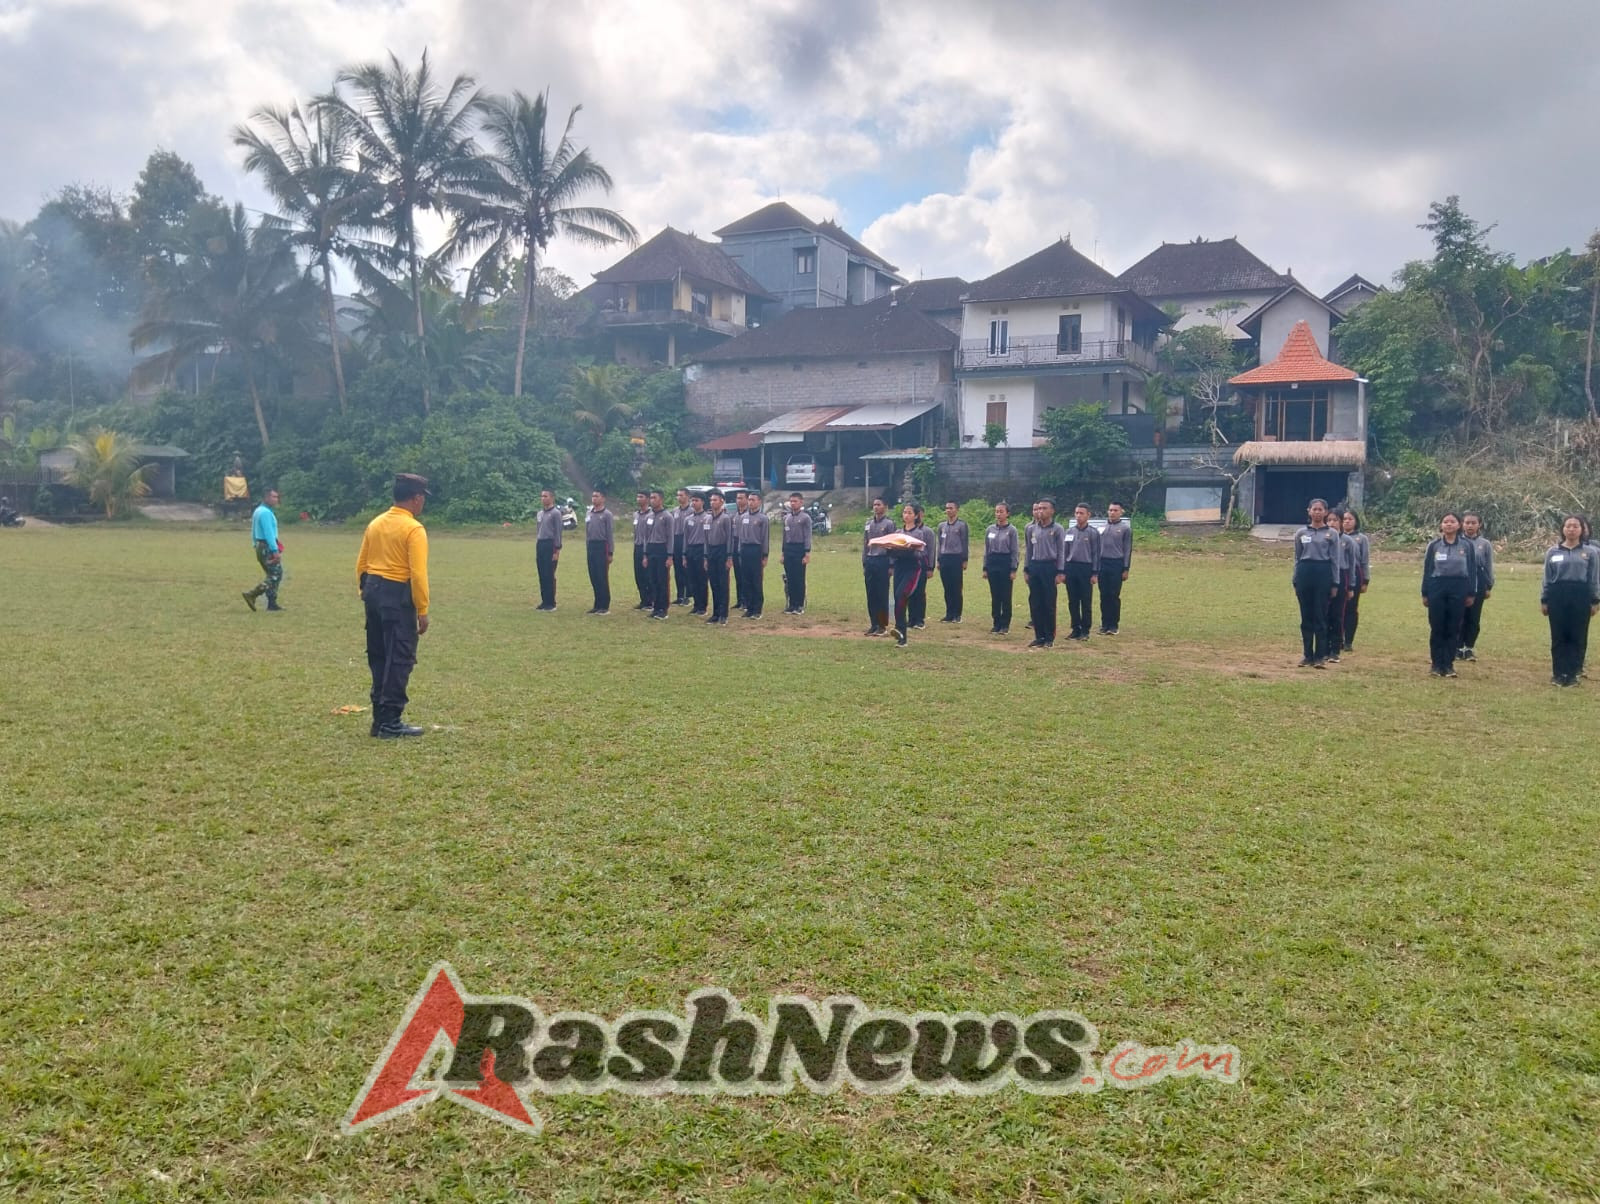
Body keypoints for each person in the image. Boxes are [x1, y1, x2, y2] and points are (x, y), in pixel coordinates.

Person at [356, 474, 431, 738]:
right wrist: (422, 609)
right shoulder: (413, 529)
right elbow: (418, 574)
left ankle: (379, 717)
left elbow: (362, 563)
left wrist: (364, 590)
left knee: (378, 655)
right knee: (399, 657)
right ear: (416, 498)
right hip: (397, 594)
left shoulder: (376, 523)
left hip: (373, 590)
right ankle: (390, 720)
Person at [1540, 516, 1599, 686]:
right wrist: (1544, 599)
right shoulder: (1553, 552)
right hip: (1557, 594)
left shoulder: (1590, 553)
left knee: (1577, 636)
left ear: (1582, 530)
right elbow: (1547, 578)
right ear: (1563, 529)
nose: (1571, 529)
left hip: (1581, 595)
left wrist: (1595, 600)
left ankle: (1572, 674)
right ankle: (1558, 673)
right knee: (1558, 635)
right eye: (1568, 526)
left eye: (1575, 526)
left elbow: (1594, 578)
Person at [1421, 511, 1477, 678]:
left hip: (1459, 587)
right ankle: (1437, 664)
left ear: (1459, 525)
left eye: (1452, 521)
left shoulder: (1466, 546)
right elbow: (1427, 570)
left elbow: (1472, 570)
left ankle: (1449, 664)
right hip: (1437, 586)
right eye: (1445, 522)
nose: (1449, 524)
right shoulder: (1434, 545)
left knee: (1453, 627)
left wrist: (1471, 592)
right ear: (1441, 525)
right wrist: (1425, 592)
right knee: (1437, 626)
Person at [1291, 497, 1342, 668]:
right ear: (1309, 511)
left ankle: (1320, 656)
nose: (1317, 512)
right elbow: (1297, 558)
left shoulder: (1332, 534)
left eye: (1321, 509)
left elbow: (1335, 560)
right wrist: (1296, 579)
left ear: (1326, 512)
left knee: (1321, 616)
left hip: (1323, 573)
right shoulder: (1301, 533)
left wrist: (1335, 583)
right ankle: (1307, 655)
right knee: (1306, 617)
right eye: (1314, 509)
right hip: (1305, 573)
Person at [1024, 499, 1067, 648]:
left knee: (1048, 603)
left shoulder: (1058, 529)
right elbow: (1029, 550)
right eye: (1039, 508)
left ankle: (1049, 637)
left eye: (1044, 508)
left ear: (1052, 511)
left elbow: (1062, 551)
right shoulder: (1031, 529)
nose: (1040, 511)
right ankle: (1039, 636)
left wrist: (1061, 571)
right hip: (1035, 566)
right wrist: (1026, 569)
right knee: (1035, 603)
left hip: (1050, 567)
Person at [890, 504, 929, 647]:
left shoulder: (918, 533)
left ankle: (901, 631)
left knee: (902, 595)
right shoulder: (898, 532)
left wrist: (906, 550)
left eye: (909, 513)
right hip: (900, 567)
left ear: (916, 515)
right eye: (904, 512)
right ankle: (900, 632)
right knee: (897, 598)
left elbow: (920, 552)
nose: (906, 515)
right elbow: (893, 553)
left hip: (913, 568)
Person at [1458, 512, 1495, 662]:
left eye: (1473, 523)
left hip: (1479, 581)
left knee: (1474, 616)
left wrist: (1489, 586)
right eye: (1467, 523)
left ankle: (1469, 648)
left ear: (1479, 525)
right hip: (1460, 580)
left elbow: (1488, 566)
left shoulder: (1484, 544)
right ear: (1462, 524)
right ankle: (1458, 647)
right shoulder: (1457, 541)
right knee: (1459, 616)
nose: (1470, 526)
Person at [242, 487, 285, 612]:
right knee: (276, 574)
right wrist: (274, 550)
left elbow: (253, 530)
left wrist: (254, 544)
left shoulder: (258, 510)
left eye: (277, 497)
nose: (276, 499)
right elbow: (269, 533)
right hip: (267, 546)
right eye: (274, 497)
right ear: (266, 497)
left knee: (272, 574)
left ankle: (272, 603)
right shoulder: (265, 513)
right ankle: (253, 594)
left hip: (260, 546)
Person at [1061, 502, 1100, 640]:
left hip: (1086, 568)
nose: (1078, 516)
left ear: (1088, 515)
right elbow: (1064, 553)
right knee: (1073, 601)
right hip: (1071, 568)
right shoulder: (1069, 532)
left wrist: (1095, 573)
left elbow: (1096, 553)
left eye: (1081, 513)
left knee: (1086, 601)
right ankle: (1075, 628)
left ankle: (1085, 630)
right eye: (1076, 513)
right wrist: (1063, 571)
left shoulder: (1093, 533)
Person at [982, 501, 1020, 634]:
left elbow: (1015, 551)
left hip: (1005, 563)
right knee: (995, 595)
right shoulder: (990, 529)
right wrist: (985, 568)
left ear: (1007, 514)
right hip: (992, 563)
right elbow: (986, 550)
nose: (998, 514)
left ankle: (1005, 624)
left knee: (1005, 595)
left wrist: (1013, 569)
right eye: (996, 511)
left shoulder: (1012, 530)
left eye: (1001, 511)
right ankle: (996, 622)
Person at [1096, 501, 1131, 635]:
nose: (1112, 513)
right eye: (1110, 510)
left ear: (1121, 512)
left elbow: (1127, 549)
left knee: (1113, 595)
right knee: (1103, 595)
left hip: (1116, 564)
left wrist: (1126, 568)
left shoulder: (1125, 529)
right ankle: (1104, 624)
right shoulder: (1101, 528)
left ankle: (1113, 624)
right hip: (1102, 564)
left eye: (1115, 510)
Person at [862, 497, 896, 635]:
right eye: (874, 504)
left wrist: (891, 564)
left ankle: (882, 625)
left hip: (883, 560)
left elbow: (893, 544)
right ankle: (873, 623)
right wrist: (864, 561)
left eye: (879, 505)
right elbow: (865, 543)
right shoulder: (869, 523)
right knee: (871, 593)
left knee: (882, 594)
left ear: (885, 507)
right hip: (870, 560)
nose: (876, 507)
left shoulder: (889, 524)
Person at [1323, 508, 1351, 663]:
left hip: (1342, 576)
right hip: (1324, 576)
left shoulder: (1348, 541)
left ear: (1340, 522)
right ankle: (1324, 648)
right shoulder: (1323, 538)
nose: (1331, 523)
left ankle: (1335, 648)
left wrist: (1352, 586)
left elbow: (1352, 565)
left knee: (1337, 614)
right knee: (1324, 614)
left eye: (1335, 520)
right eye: (1329, 520)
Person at [737, 490, 770, 618]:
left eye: (753, 500)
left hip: (756, 550)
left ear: (759, 502)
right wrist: (740, 550)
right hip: (744, 550)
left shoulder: (763, 518)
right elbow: (740, 536)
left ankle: (757, 609)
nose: (750, 502)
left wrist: (765, 555)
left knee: (756, 580)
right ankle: (749, 607)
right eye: (749, 500)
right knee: (746, 580)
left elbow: (765, 538)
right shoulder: (743, 517)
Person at [1341, 509, 1370, 651]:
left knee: (1351, 608)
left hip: (1356, 574)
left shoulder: (1361, 539)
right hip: (1340, 573)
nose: (1346, 521)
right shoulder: (1335, 537)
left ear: (1356, 521)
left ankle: (1348, 641)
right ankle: (1337, 639)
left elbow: (1364, 561)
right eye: (1344, 519)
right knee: (1338, 607)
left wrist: (1365, 580)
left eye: (1350, 519)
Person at [936, 500, 969, 623]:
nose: (948, 510)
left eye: (951, 508)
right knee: (947, 587)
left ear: (957, 510)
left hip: (956, 558)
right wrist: (938, 559)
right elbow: (939, 544)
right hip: (944, 558)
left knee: (956, 587)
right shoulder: (941, 526)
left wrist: (964, 559)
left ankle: (957, 614)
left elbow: (965, 543)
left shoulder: (961, 525)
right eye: (947, 508)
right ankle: (949, 613)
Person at [642, 489, 673, 619]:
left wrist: (670, 556)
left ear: (661, 499)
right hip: (651, 549)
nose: (652, 500)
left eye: (654, 498)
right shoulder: (648, 516)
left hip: (662, 550)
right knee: (653, 579)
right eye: (651, 498)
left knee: (662, 580)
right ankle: (656, 607)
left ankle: (663, 608)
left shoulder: (667, 516)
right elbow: (645, 537)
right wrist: (645, 555)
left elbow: (670, 537)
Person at [703, 491, 733, 624]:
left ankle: (723, 614)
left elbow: (730, 539)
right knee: (714, 583)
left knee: (723, 584)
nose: (712, 502)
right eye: (711, 500)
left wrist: (729, 557)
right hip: (711, 551)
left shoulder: (726, 518)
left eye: (715, 500)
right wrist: (705, 557)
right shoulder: (707, 518)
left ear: (722, 501)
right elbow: (705, 538)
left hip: (722, 551)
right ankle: (715, 613)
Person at [780, 492, 813, 614]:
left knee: (799, 577)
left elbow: (808, 536)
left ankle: (799, 604)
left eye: (795, 501)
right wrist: (783, 553)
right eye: (791, 501)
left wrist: (807, 553)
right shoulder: (787, 518)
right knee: (790, 578)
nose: (793, 503)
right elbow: (784, 536)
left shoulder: (805, 518)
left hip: (799, 549)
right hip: (789, 549)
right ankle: (792, 604)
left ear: (801, 502)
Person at [584, 490, 614, 615]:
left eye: (597, 496)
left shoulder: (607, 514)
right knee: (593, 576)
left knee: (602, 576)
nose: (594, 498)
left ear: (603, 498)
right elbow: (587, 531)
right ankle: (597, 603)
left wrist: (610, 552)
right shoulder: (589, 513)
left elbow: (610, 534)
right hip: (591, 546)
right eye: (593, 496)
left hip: (602, 546)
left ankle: (604, 605)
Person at [907, 503, 936, 629]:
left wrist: (930, 567)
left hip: (922, 564)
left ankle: (920, 619)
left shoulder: (927, 532)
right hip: (909, 564)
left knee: (920, 592)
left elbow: (931, 550)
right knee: (909, 592)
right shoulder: (906, 530)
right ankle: (911, 618)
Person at [533, 488, 562, 611]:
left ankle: (551, 602)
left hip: (551, 544)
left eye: (545, 496)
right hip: (541, 544)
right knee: (542, 573)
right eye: (542, 496)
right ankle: (544, 601)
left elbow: (558, 532)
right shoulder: (540, 513)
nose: (543, 498)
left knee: (549, 574)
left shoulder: (556, 513)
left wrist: (557, 550)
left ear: (551, 498)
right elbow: (538, 529)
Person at [683, 492, 709, 614]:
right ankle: (696, 604)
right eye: (692, 500)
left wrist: (705, 555)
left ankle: (703, 606)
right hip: (691, 550)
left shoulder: (707, 518)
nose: (694, 503)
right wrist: (684, 554)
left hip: (701, 549)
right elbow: (685, 538)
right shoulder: (688, 519)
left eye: (696, 500)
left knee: (702, 579)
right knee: (692, 579)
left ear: (702, 502)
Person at [672, 488, 692, 605]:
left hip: (687, 540)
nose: (679, 497)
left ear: (687, 497)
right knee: (677, 569)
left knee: (686, 570)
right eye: (678, 495)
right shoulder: (675, 511)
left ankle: (687, 596)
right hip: (676, 540)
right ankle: (679, 595)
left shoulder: (692, 511)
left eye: (681, 495)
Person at [631, 492, 651, 610]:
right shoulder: (636, 515)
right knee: (638, 575)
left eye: (641, 497)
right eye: (637, 496)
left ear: (647, 499)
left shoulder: (651, 515)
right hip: (637, 547)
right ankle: (643, 600)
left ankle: (650, 601)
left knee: (648, 575)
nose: (638, 499)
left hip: (648, 547)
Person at [730, 490, 748, 613]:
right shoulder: (735, 515)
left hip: (745, 544)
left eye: (741, 498)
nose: (739, 500)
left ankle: (746, 601)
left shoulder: (749, 515)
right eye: (737, 498)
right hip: (735, 543)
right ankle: (739, 600)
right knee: (737, 574)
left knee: (745, 574)